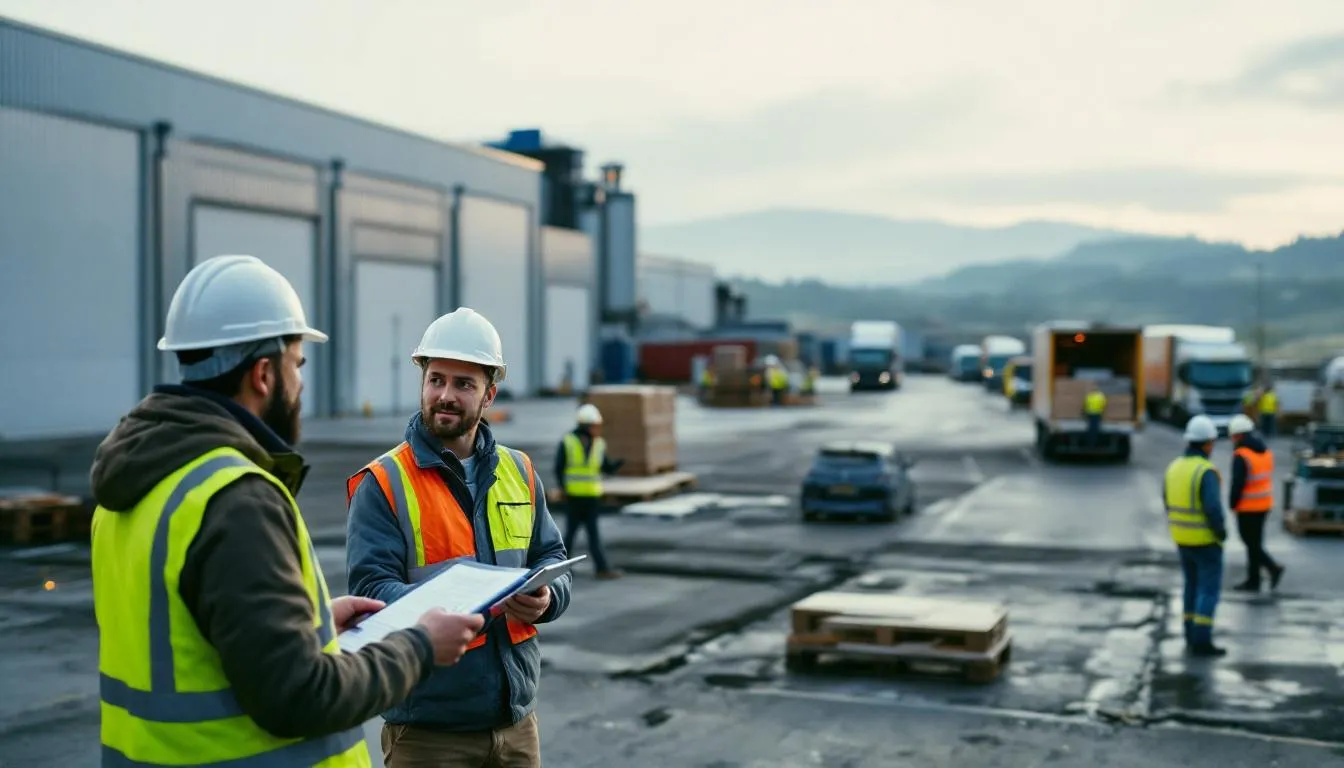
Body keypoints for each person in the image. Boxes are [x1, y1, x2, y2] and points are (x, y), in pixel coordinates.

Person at [90, 255, 483, 767]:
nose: (299, 385)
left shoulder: (138, 484)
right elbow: (299, 695)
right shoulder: (235, 497)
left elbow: (197, 638)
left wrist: (315, 624)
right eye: (296, 365)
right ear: (262, 374)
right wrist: (419, 647)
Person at [345, 307, 572, 768]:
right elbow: (370, 589)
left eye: (463, 384)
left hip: (516, 725)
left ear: (489, 394)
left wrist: (548, 599)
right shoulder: (384, 482)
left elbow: (551, 555)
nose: (445, 395)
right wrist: (442, 614)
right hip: (428, 733)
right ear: (423, 381)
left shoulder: (520, 471)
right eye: (436, 379)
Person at [1163, 414, 1229, 657]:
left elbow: (1166, 501)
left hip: (1182, 539)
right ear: (1208, 443)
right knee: (1208, 591)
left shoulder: (1174, 467)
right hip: (1205, 541)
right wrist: (1221, 533)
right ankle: (1202, 641)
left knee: (1191, 586)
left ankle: (1190, 633)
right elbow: (1212, 508)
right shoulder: (1205, 471)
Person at [554, 403, 625, 580]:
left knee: (591, 535)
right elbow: (559, 468)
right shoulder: (568, 441)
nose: (598, 429)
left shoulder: (599, 444)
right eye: (595, 425)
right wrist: (563, 489)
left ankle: (601, 568)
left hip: (592, 497)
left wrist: (619, 464)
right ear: (586, 425)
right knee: (570, 536)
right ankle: (563, 568)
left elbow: (605, 467)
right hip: (574, 497)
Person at [1227, 414, 1286, 593]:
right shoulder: (1265, 452)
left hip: (1247, 507)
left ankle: (1271, 569)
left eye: (1233, 436)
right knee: (1255, 543)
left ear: (1238, 435)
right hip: (1263, 505)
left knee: (1250, 543)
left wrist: (1232, 503)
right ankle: (1254, 580)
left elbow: (1238, 483)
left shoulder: (1242, 456)